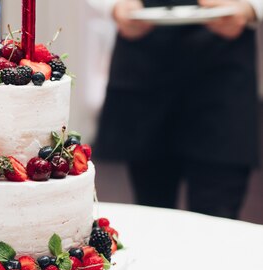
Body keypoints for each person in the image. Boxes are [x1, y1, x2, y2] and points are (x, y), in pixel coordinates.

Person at [90, 0, 261, 219]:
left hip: (224, 58)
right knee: (154, 212)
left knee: (218, 218)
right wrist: (114, 5)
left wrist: (250, 7)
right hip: (144, 50)